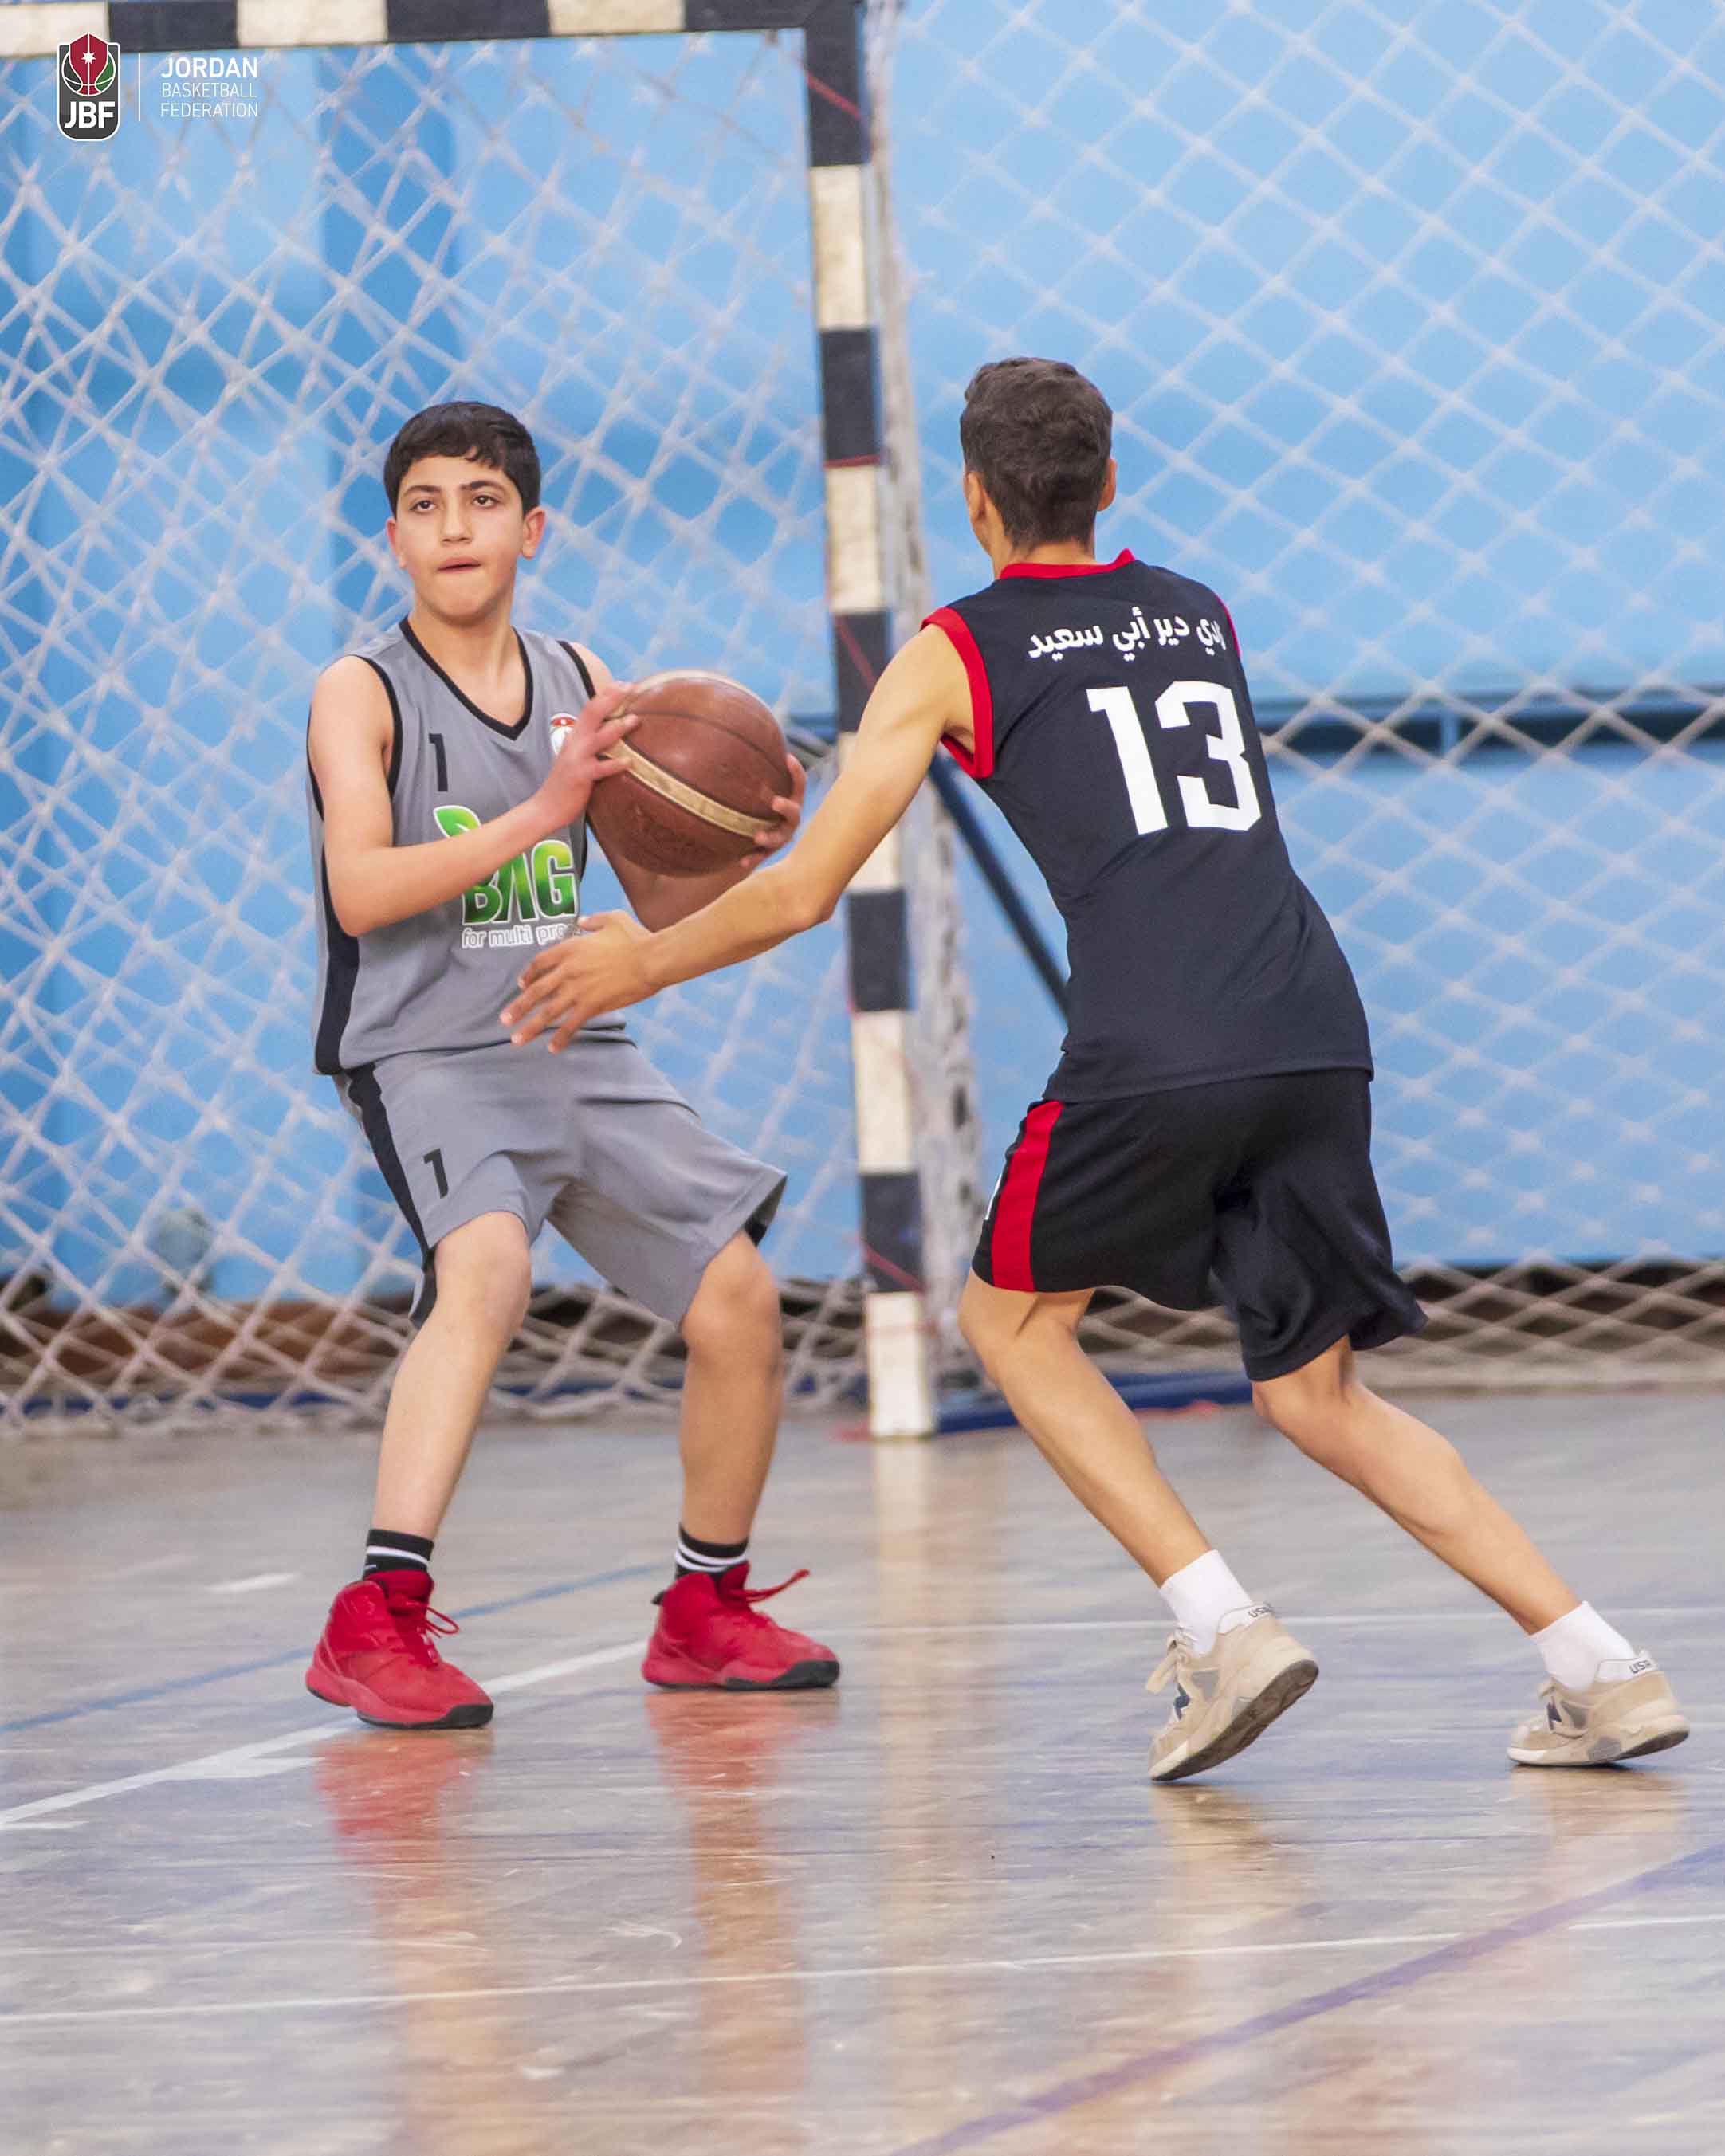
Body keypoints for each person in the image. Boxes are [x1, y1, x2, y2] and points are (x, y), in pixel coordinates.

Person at [502, 358, 1688, 1781]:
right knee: (1317, 1393)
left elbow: (809, 888)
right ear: (1110, 482)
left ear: (973, 498)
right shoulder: (1198, 611)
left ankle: (1221, 1624)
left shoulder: (951, 650)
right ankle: (1601, 1664)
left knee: (1009, 1321)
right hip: (1312, 1023)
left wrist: (642, 957)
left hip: (1160, 1037)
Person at [303, 401, 838, 1730]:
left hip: (573, 1034)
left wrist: (748, 847)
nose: (454, 528)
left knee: (740, 1298)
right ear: (393, 538)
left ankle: (704, 1609)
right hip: (426, 1049)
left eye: (482, 502)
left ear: (531, 530)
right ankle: (376, 1619)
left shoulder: (585, 679)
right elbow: (361, 888)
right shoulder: (360, 690)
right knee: (485, 1267)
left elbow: (655, 905)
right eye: (425, 505)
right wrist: (542, 809)